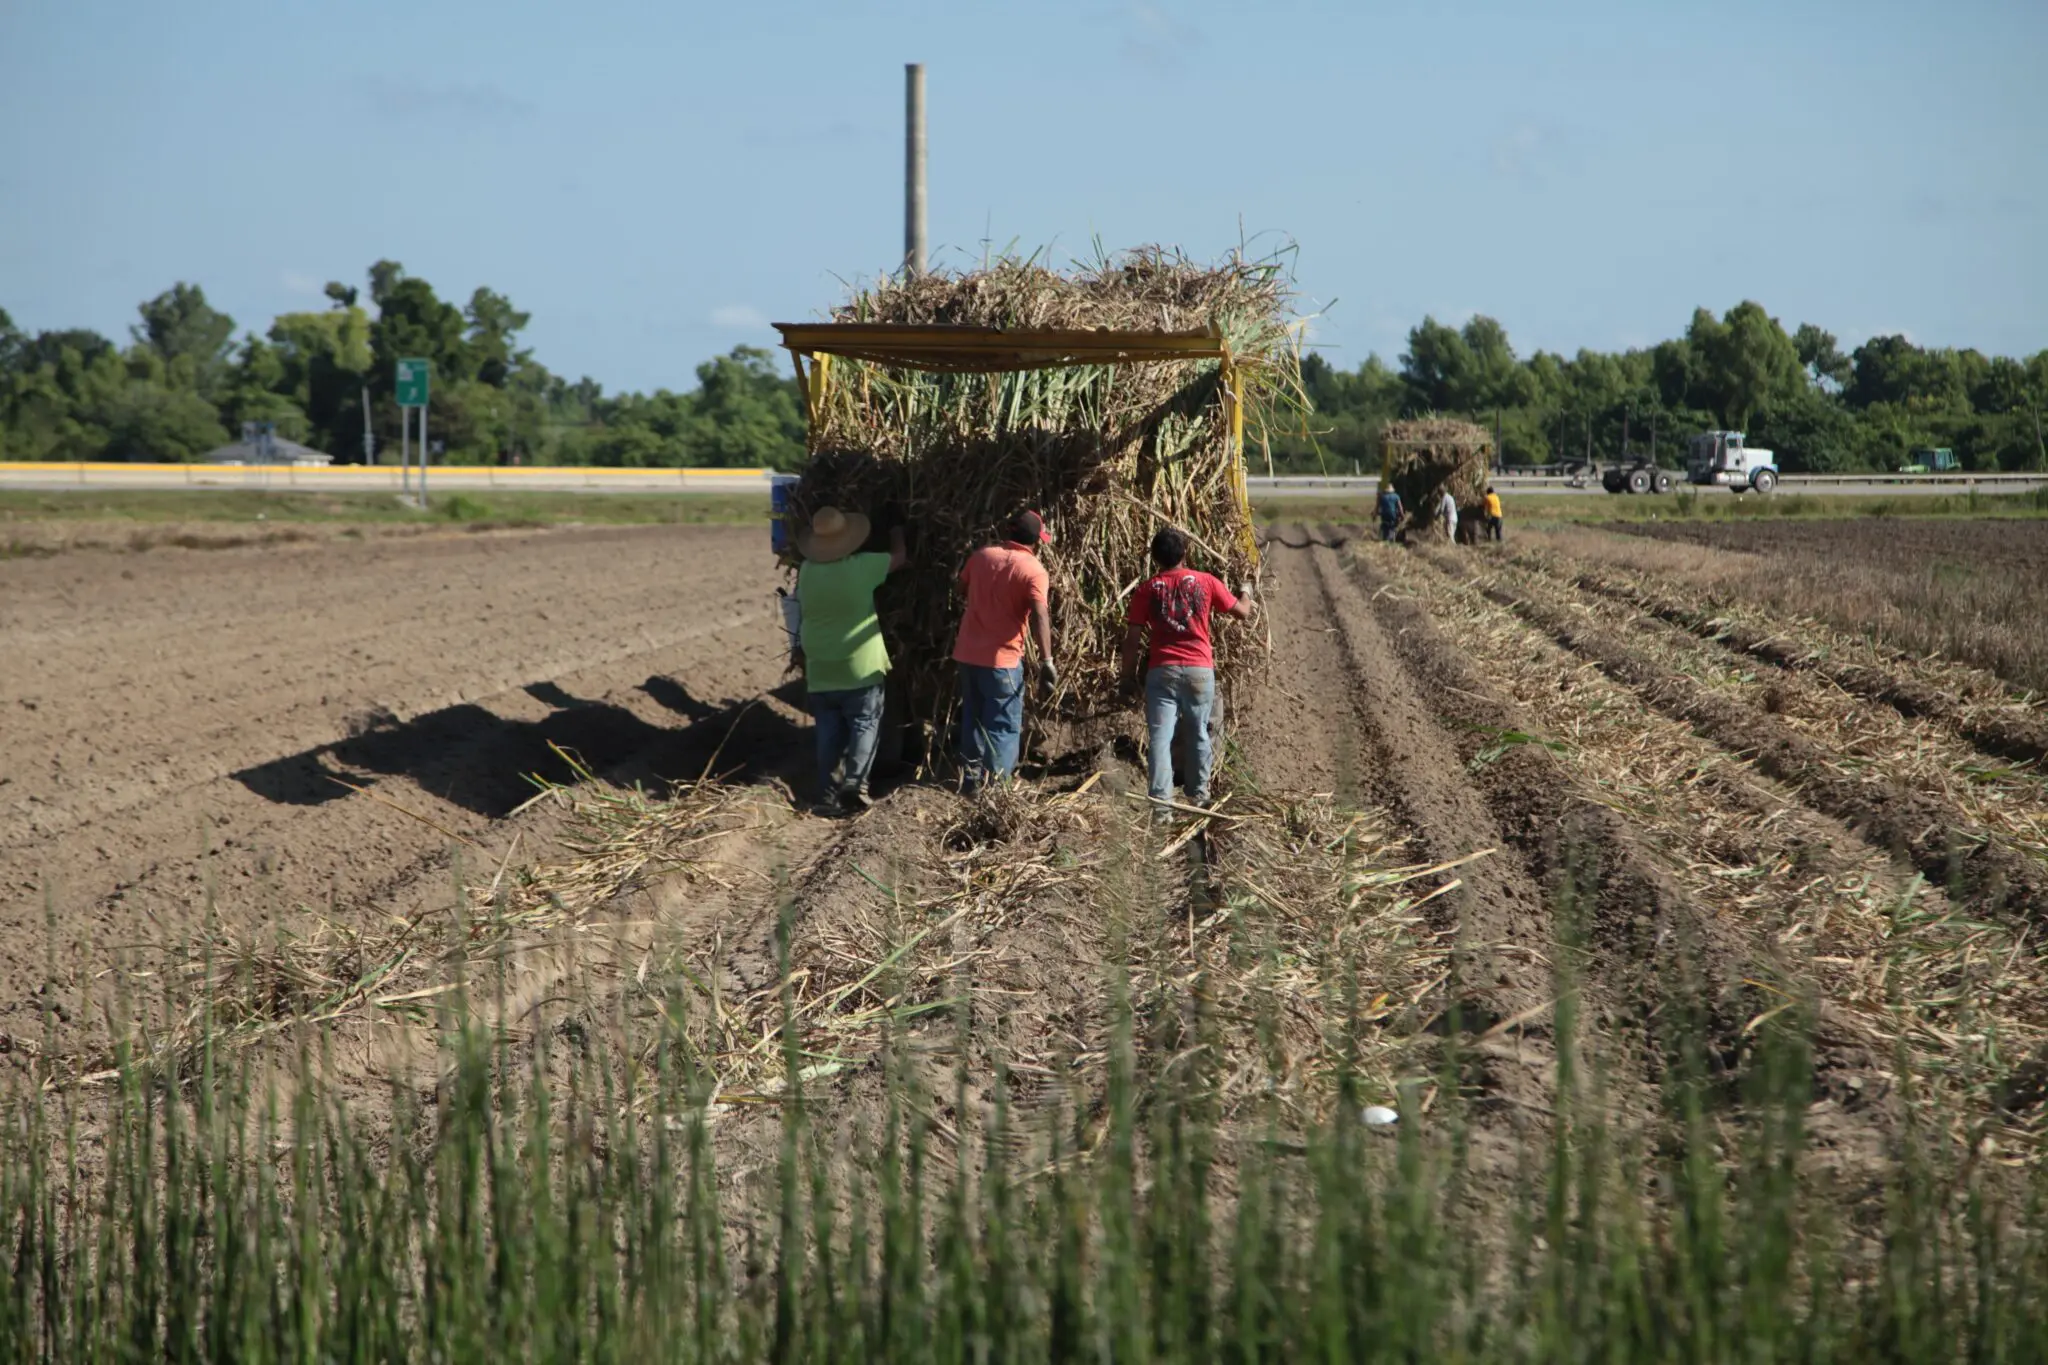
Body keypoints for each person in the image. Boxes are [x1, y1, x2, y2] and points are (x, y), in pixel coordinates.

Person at [1120, 526, 1254, 822]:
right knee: (1198, 734)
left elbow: (1132, 639)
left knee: (1159, 738)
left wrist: (1127, 676)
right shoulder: (1206, 582)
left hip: (1162, 672)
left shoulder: (1146, 589)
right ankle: (1199, 797)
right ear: (1185, 553)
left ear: (1155, 558)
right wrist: (1246, 589)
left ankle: (1162, 807)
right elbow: (1242, 612)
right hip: (1199, 672)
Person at [795, 505, 908, 814]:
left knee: (828, 729)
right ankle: (855, 784)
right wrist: (897, 532)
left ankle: (828, 794)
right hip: (859, 665)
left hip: (819, 665)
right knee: (864, 722)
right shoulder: (861, 566)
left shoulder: (806, 570)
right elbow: (900, 559)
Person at [952, 510, 1054, 793]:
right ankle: (996, 790)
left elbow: (961, 588)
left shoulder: (981, 557)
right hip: (1003, 661)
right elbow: (1040, 615)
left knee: (972, 718)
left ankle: (971, 783)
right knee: (1003, 726)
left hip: (968, 655)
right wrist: (1047, 660)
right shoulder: (1033, 570)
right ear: (1036, 540)